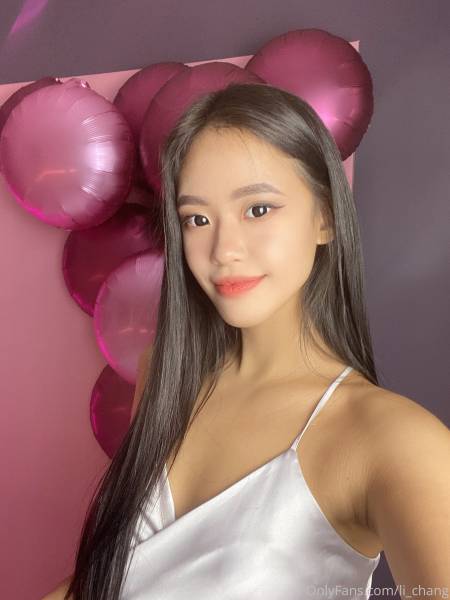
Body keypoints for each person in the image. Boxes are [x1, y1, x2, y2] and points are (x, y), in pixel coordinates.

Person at [43, 83, 450, 600]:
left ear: (325, 216)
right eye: (197, 219)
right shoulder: (162, 377)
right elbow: (116, 578)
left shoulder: (391, 440)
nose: (223, 250)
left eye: (258, 209)